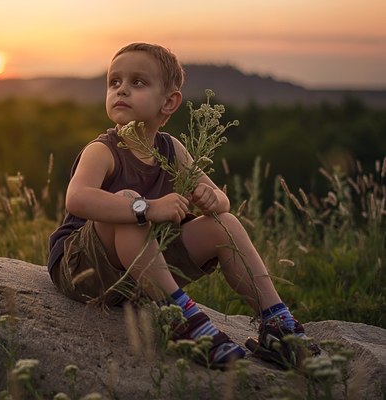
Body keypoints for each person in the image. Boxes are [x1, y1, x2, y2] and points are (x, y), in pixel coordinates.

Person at [47, 42, 319, 369]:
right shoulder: (103, 150)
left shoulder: (171, 149)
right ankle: (180, 318)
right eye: (114, 82)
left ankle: (277, 325)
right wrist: (147, 208)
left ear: (169, 102)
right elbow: (77, 198)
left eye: (138, 82)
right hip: (84, 268)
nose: (121, 90)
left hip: (143, 271)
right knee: (127, 204)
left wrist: (211, 199)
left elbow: (223, 200)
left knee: (225, 223)